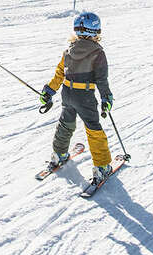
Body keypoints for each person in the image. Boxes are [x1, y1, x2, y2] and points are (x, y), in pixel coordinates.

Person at [39, 11, 114, 185]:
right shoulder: (98, 53)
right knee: (93, 128)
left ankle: (59, 155)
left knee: (66, 124)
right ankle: (102, 166)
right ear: (96, 32)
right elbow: (101, 79)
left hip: (68, 93)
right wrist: (106, 98)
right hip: (85, 96)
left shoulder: (68, 51)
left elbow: (59, 74)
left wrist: (49, 91)